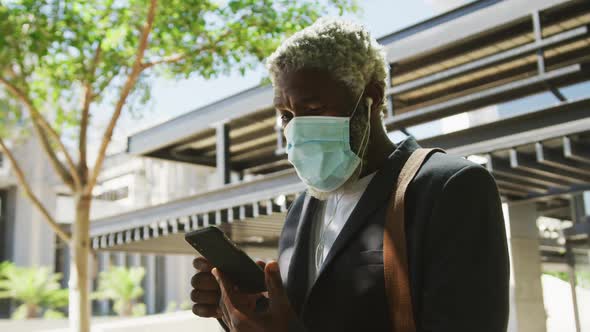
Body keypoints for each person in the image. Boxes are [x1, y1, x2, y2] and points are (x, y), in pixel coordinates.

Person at [190, 17, 509, 332]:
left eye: (313, 109)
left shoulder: (450, 187)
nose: (297, 128)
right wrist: (240, 311)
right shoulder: (301, 209)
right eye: (287, 115)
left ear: (372, 95)